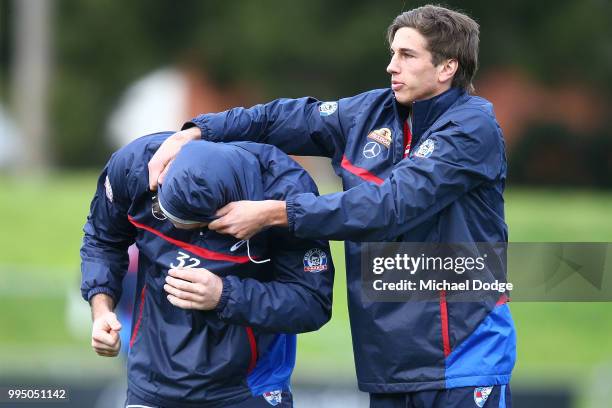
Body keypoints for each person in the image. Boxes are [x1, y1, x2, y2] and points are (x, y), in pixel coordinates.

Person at [148, 5, 516, 408]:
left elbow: (388, 207)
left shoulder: (473, 127)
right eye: (392, 53)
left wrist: (277, 213)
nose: (392, 66)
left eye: (407, 56)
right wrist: (199, 131)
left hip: (465, 360)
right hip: (390, 366)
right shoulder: (369, 113)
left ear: (447, 68)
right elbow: (282, 119)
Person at [81, 132, 334, 408]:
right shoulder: (135, 167)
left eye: (186, 226)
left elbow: (312, 303)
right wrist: (102, 309)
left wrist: (224, 295)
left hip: (248, 387)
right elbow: (102, 239)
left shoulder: (284, 194)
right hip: (151, 384)